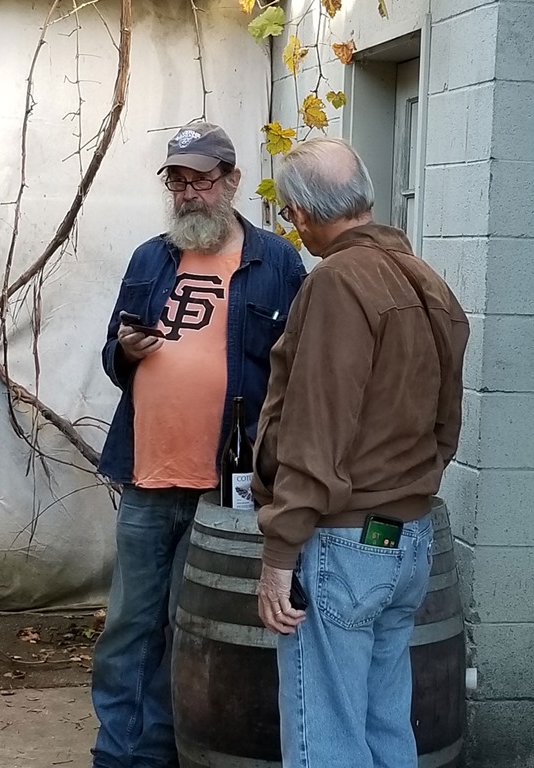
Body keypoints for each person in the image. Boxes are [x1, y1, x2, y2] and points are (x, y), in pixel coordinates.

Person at [91, 121, 305, 768]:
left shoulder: (277, 263)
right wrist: (126, 350)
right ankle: (123, 755)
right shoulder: (148, 259)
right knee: (129, 628)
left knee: (192, 629)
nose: (188, 193)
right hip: (147, 474)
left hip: (225, 488)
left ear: (232, 181)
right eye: (177, 181)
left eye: (201, 180)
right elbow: (114, 355)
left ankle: (178, 750)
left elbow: (296, 373)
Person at [253, 137, 469, 768]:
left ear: (301, 212)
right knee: (384, 728)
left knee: (326, 741)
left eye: (290, 213)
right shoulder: (428, 281)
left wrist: (278, 555)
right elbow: (446, 425)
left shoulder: (337, 282)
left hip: (343, 545)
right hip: (406, 540)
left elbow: (315, 427)